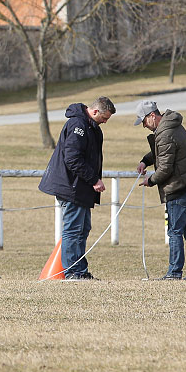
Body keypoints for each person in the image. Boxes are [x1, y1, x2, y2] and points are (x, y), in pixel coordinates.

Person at [37, 97, 115, 280]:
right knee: (73, 230)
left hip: (80, 188)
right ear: (95, 111)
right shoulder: (77, 125)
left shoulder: (91, 126)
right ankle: (73, 271)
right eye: (104, 118)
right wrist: (94, 179)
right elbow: (72, 159)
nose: (105, 122)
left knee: (83, 228)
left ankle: (80, 269)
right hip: (71, 187)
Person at [134, 100, 186, 280]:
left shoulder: (164, 133)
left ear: (152, 116)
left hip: (179, 188)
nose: (143, 126)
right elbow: (163, 152)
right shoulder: (173, 124)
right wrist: (145, 160)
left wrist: (150, 180)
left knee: (174, 231)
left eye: (143, 121)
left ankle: (174, 272)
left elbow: (165, 168)